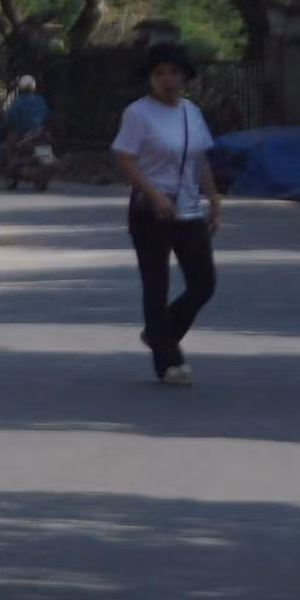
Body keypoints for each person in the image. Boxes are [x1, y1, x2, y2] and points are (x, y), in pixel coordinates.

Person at [115, 41, 220, 386]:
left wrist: (214, 201)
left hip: (188, 208)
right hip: (150, 211)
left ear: (185, 76)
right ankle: (168, 362)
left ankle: (161, 333)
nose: (167, 80)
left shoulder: (191, 112)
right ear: (150, 78)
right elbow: (125, 158)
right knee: (156, 285)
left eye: (174, 72)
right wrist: (153, 195)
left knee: (203, 283)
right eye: (159, 73)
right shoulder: (138, 113)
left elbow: (200, 160)